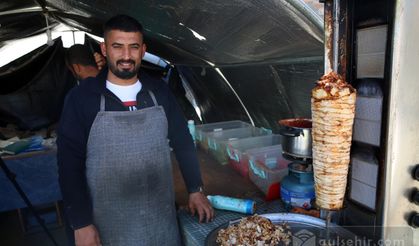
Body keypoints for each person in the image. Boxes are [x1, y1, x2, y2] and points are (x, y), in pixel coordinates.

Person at [57, 15, 214, 246]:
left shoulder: (158, 91)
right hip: (109, 223)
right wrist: (81, 224)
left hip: (161, 219)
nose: (126, 56)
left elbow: (182, 141)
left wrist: (195, 188)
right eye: (118, 47)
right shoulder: (82, 99)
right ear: (104, 49)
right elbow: (69, 165)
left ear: (143, 50)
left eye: (133, 47)